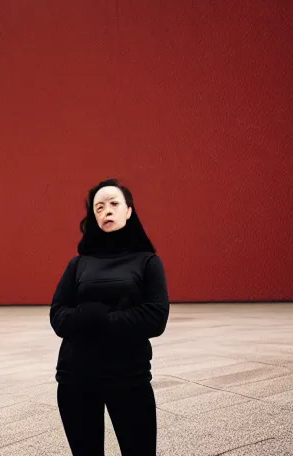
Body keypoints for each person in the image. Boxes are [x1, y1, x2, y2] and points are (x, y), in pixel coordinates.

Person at [50, 179, 169, 456]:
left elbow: (155, 317)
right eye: (99, 207)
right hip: (75, 379)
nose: (106, 211)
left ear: (129, 210)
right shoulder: (78, 264)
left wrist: (98, 319)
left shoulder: (148, 262)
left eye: (114, 204)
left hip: (129, 378)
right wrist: (104, 316)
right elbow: (58, 314)